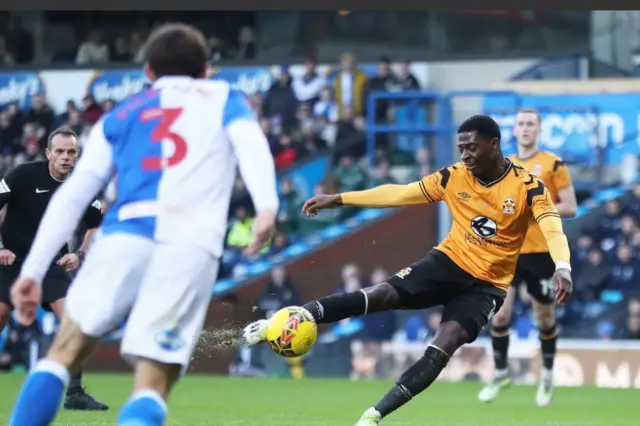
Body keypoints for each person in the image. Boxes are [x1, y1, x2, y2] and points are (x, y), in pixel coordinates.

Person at [8, 23, 279, 426]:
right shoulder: (225, 98)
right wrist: (267, 209)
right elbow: (252, 147)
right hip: (189, 245)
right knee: (152, 382)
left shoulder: (122, 113)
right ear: (207, 69)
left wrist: (30, 272)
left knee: (61, 354)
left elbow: (74, 194)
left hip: (122, 237)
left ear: (148, 73)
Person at [244, 115, 574, 425]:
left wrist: (563, 267)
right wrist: (341, 198)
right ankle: (287, 321)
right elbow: (400, 193)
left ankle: (373, 415)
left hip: (488, 285)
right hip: (449, 262)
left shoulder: (529, 187)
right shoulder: (453, 176)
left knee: (446, 341)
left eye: (471, 147)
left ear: (494, 144)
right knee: (382, 294)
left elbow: (553, 229)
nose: (465, 154)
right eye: (461, 148)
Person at [0, 126, 107, 411]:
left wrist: (80, 254)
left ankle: (74, 394)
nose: (65, 157)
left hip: (51, 263)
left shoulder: (83, 187)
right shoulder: (21, 175)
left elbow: (96, 225)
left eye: (71, 152)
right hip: (11, 261)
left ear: (77, 155)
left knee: (74, 320)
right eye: (59, 151)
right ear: (48, 153)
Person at [478, 109, 577, 407]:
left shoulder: (552, 163)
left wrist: (536, 210)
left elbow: (570, 206)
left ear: (539, 129)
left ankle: (547, 375)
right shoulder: (501, 167)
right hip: (507, 251)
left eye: (530, 124)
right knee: (500, 313)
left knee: (544, 318)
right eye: (520, 123)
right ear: (514, 129)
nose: (524, 128)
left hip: (541, 253)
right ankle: (500, 372)